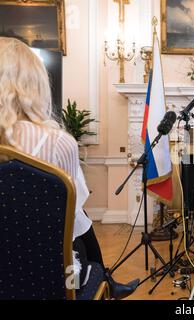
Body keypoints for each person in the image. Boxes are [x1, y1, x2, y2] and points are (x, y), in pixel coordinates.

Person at [0, 37, 138, 299]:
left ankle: (106, 277)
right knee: (76, 218)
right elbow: (73, 211)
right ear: (34, 84)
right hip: (49, 277)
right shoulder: (57, 142)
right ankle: (103, 277)